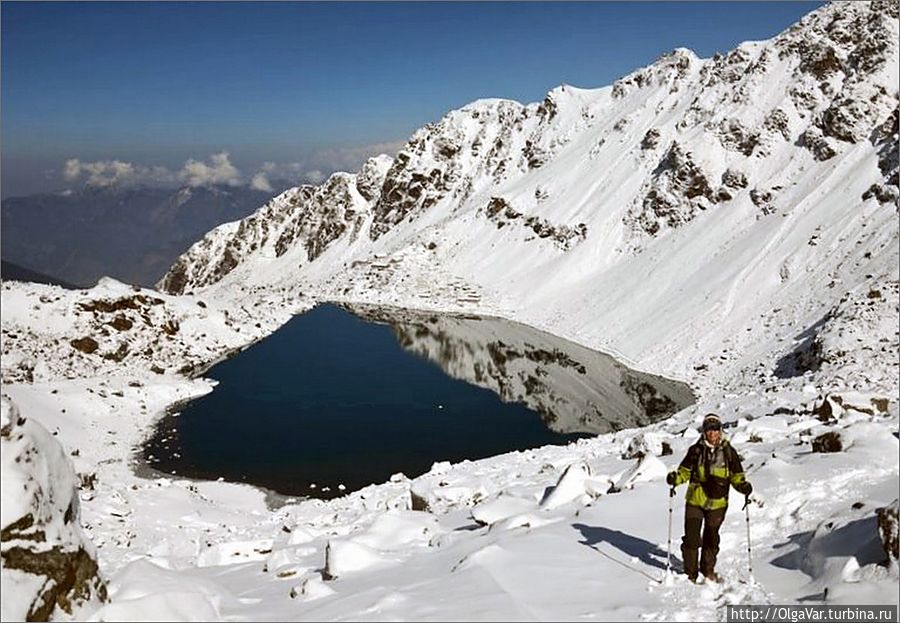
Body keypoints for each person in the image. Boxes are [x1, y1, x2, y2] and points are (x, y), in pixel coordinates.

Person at [666, 413, 752, 583]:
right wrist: (675, 479)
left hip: (718, 503)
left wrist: (743, 486)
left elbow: (736, 476)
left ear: (720, 430)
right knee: (692, 538)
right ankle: (690, 574)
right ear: (704, 431)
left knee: (711, 538)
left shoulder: (729, 452)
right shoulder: (695, 450)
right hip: (695, 501)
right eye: (708, 429)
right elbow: (684, 472)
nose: (712, 433)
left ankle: (707, 570)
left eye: (715, 429)